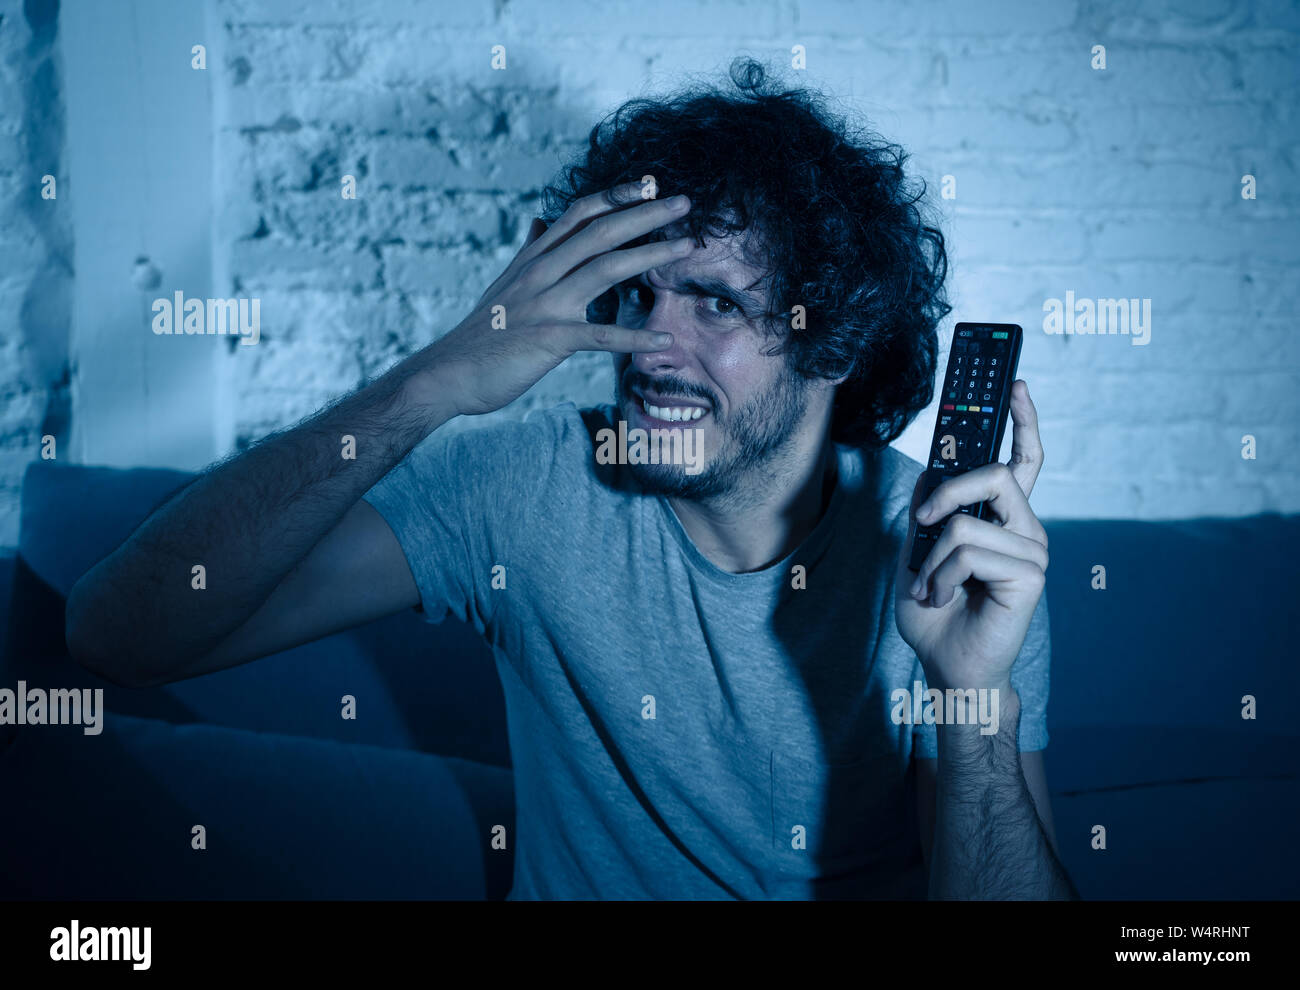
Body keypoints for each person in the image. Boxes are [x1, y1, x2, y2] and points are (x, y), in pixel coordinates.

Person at [66, 59, 1077, 900]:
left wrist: (970, 691)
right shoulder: (524, 486)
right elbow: (120, 633)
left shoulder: (953, 554)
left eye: (714, 305)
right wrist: (434, 383)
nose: (650, 343)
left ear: (833, 342)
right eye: (633, 292)